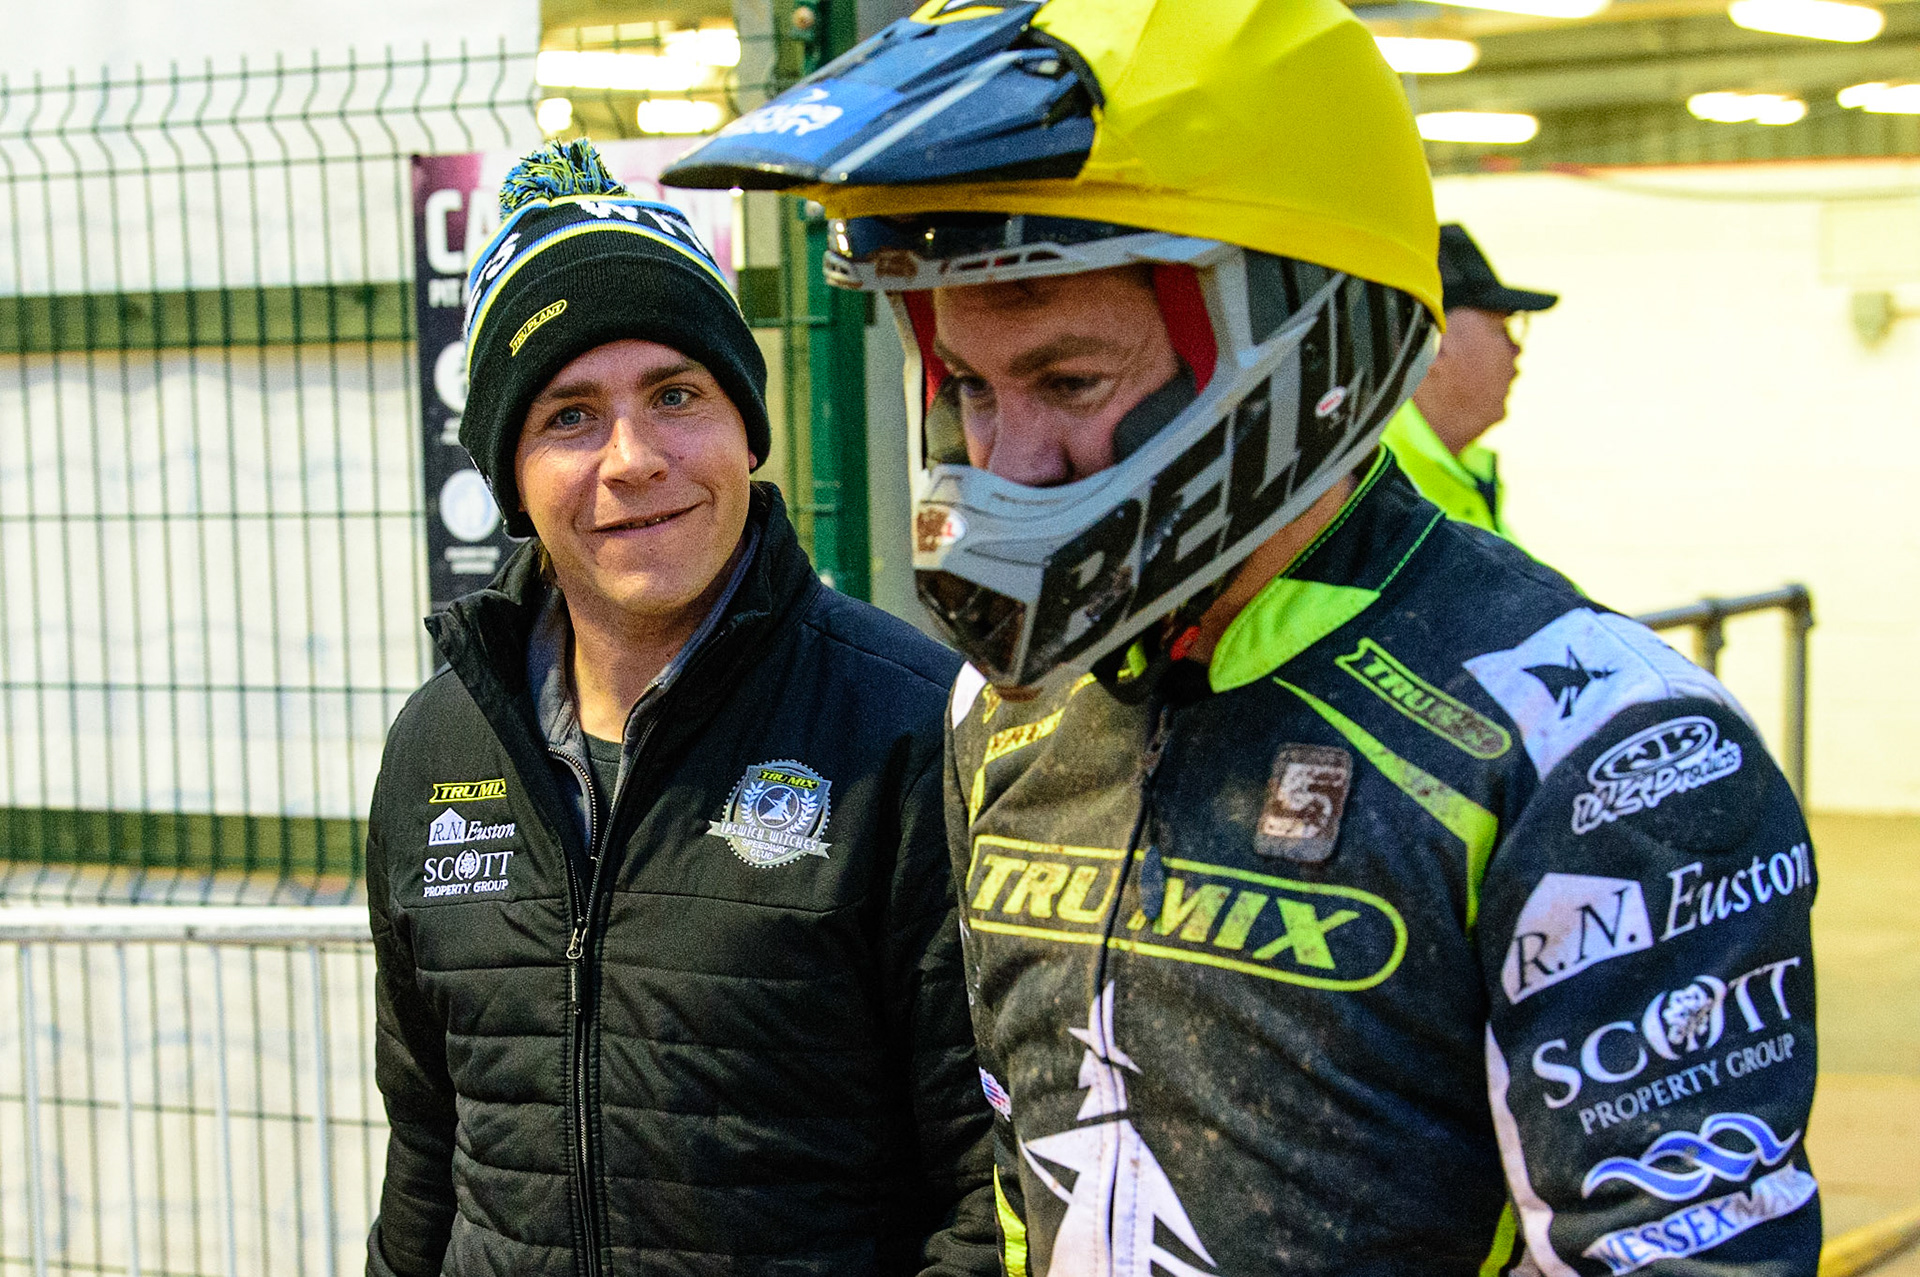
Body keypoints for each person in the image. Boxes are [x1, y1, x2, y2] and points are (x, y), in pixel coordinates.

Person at [665, 4, 1820, 1275]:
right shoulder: (1004, 708)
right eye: (972, 390)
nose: (1007, 461)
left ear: (1304, 346)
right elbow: (1024, 1170)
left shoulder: (1595, 746)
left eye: (1071, 382)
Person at [364, 140, 997, 1277]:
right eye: (568, 415)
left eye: (675, 394)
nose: (634, 458)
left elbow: (986, 1189)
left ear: (745, 427)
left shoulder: (910, 726)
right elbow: (427, 1151)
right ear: (510, 474)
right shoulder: (439, 743)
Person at [1384, 225, 1559, 542]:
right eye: (1501, 327)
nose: (1515, 348)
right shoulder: (1381, 482)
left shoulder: (1457, 465)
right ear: (1432, 344)